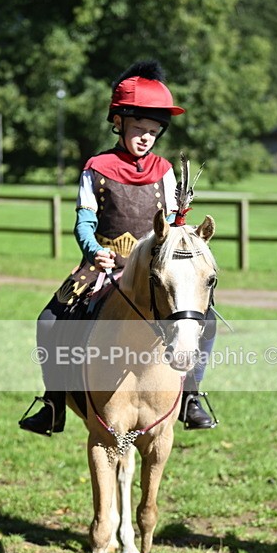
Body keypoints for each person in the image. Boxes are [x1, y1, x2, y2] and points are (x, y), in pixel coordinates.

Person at [19, 60, 217, 436]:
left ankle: (191, 395)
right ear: (119, 123)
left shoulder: (163, 170)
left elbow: (174, 223)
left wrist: (187, 236)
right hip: (102, 264)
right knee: (49, 321)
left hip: (155, 270)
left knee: (205, 322)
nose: (146, 138)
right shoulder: (97, 166)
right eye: (139, 129)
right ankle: (53, 402)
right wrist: (93, 249)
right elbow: (85, 220)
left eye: (153, 132)